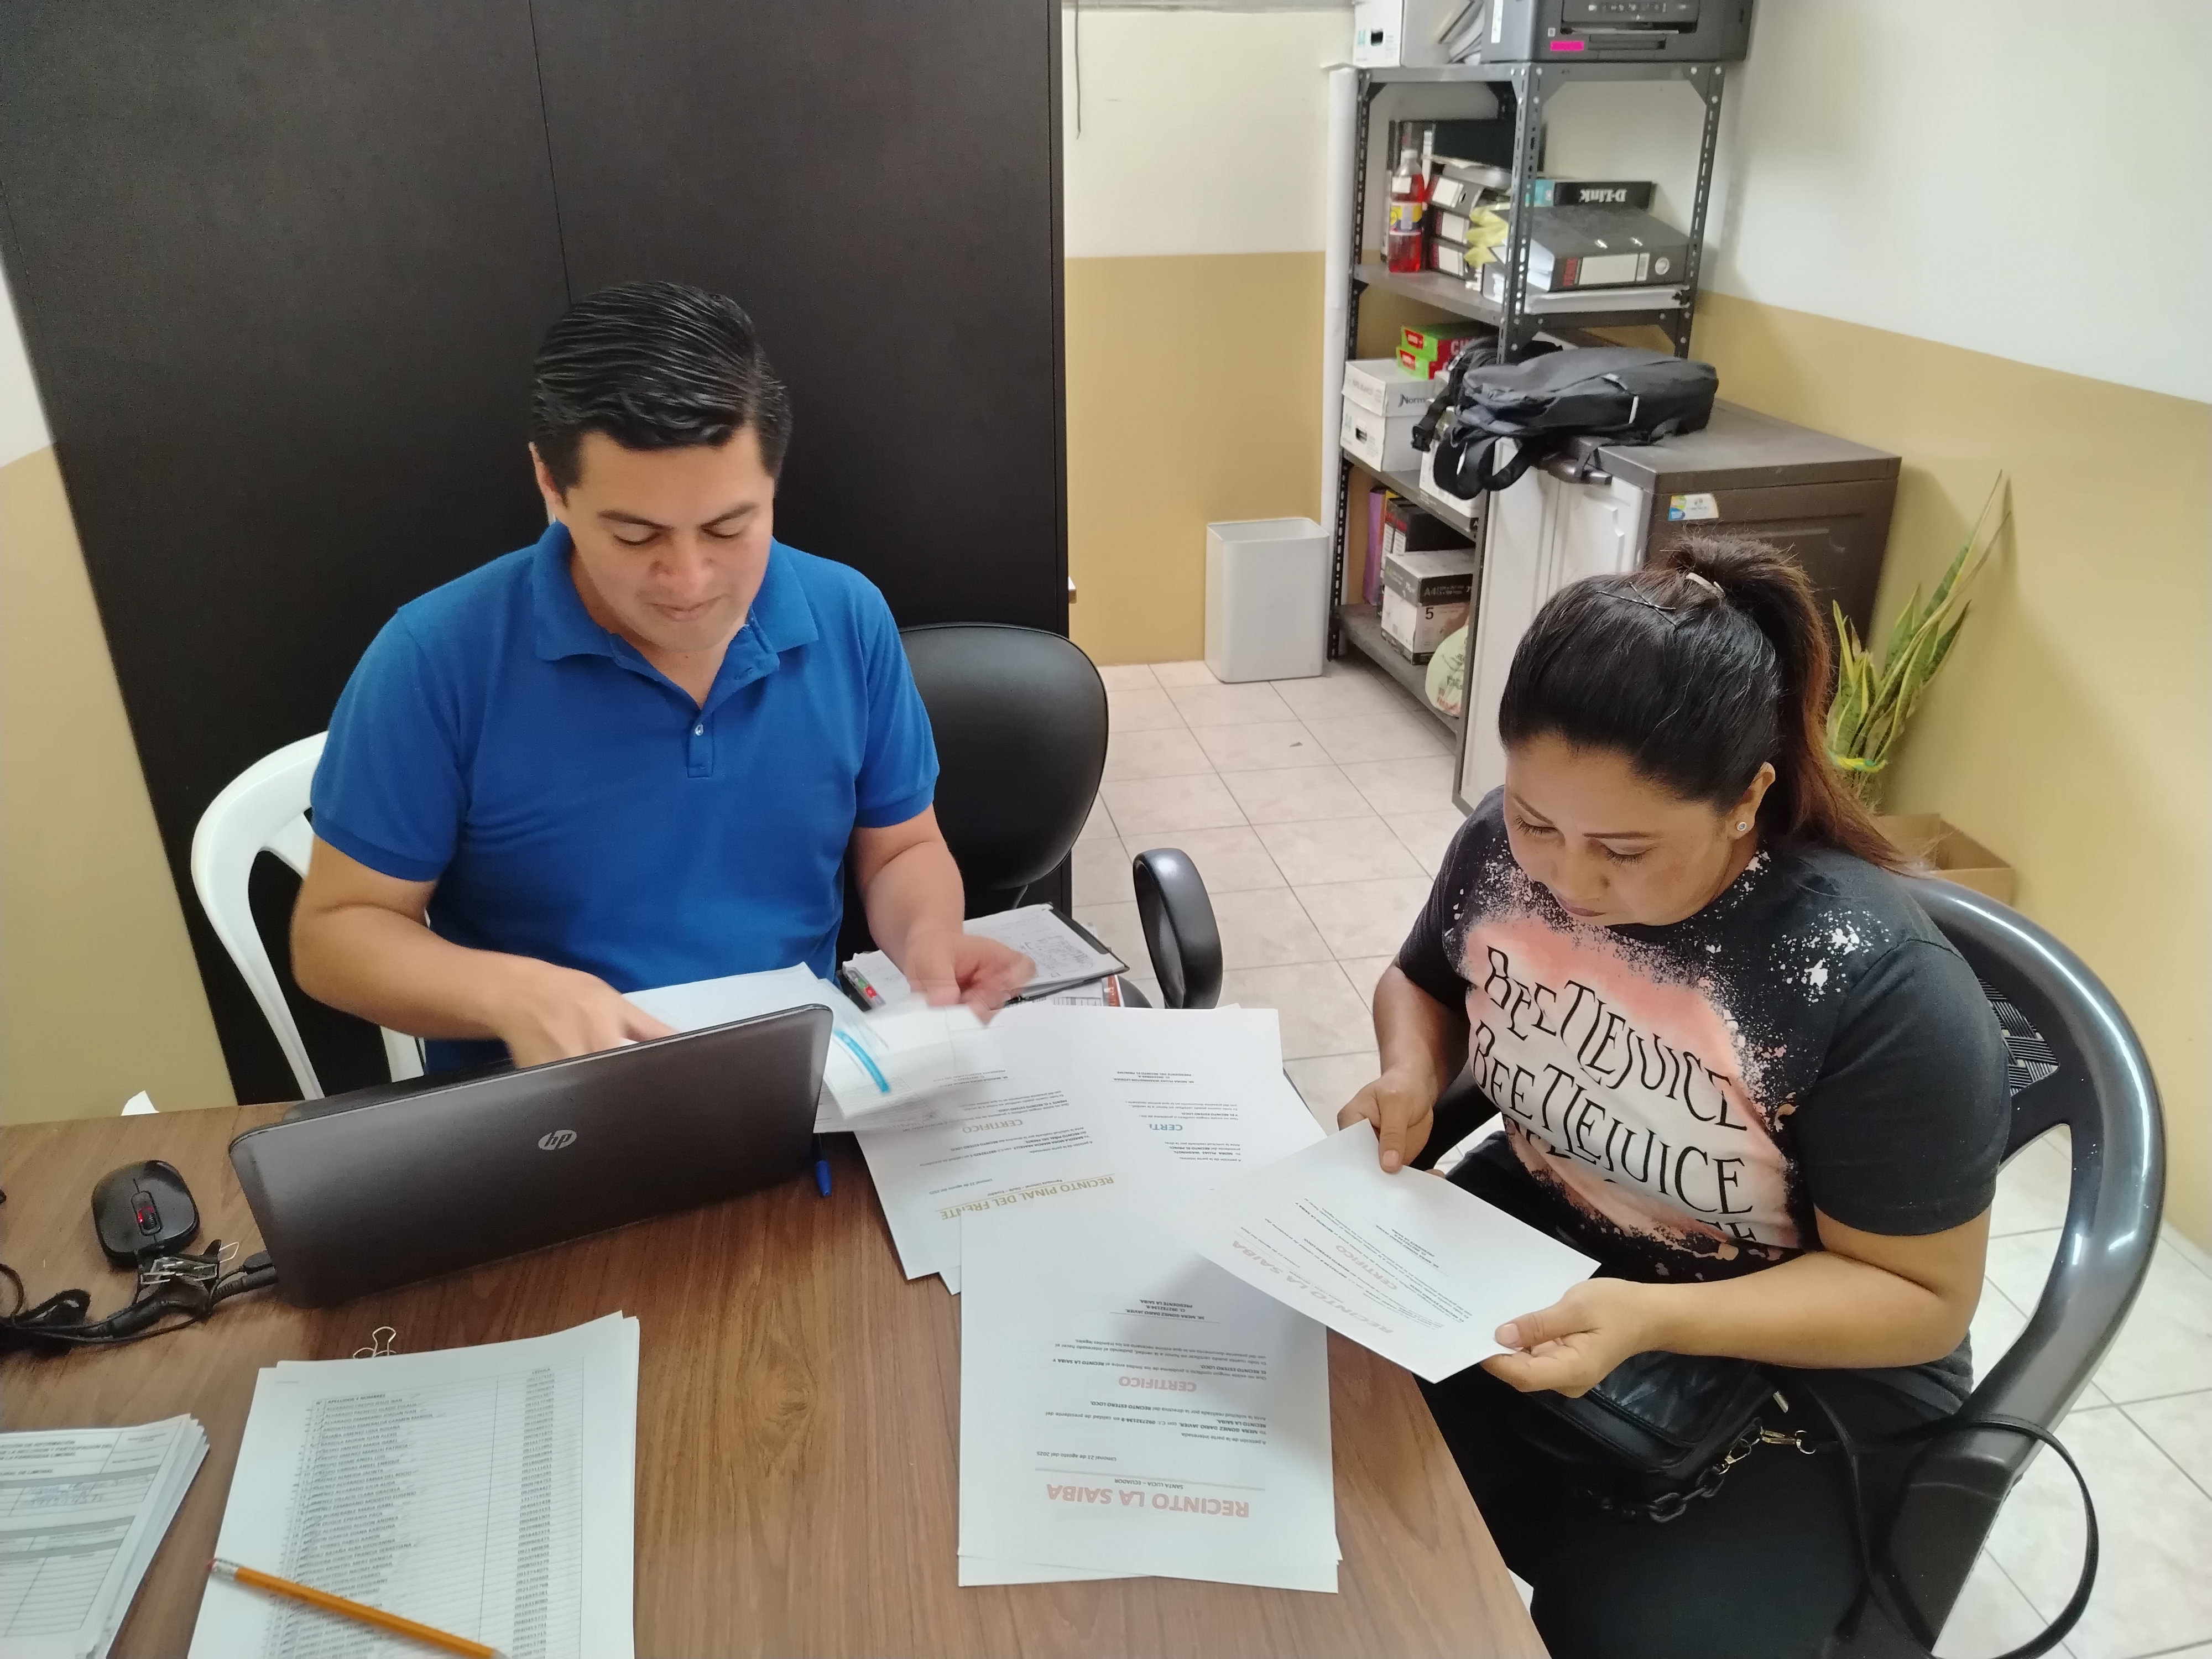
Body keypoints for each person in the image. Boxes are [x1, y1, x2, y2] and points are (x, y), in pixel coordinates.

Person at [1338, 534, 2010, 1658]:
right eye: (1535, 821)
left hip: (1792, 1357)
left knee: (1622, 1629)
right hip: (1545, 1244)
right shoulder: (1501, 854)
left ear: (1746, 799)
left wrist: (1652, 1318)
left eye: (1624, 848)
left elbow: (1918, 1295)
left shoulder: (1870, 983)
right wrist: (1410, 1069)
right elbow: (1422, 983)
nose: (1566, 879)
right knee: (1338, 1474)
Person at [292, 281, 1031, 1072]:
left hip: (795, 1078)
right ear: (551, 484)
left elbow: (900, 848)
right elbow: (335, 935)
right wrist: (510, 994)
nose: (688, 581)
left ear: (774, 484)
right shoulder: (436, 658)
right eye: (635, 535)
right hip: (548, 1102)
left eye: (729, 527)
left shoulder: (847, 615)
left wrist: (926, 940)